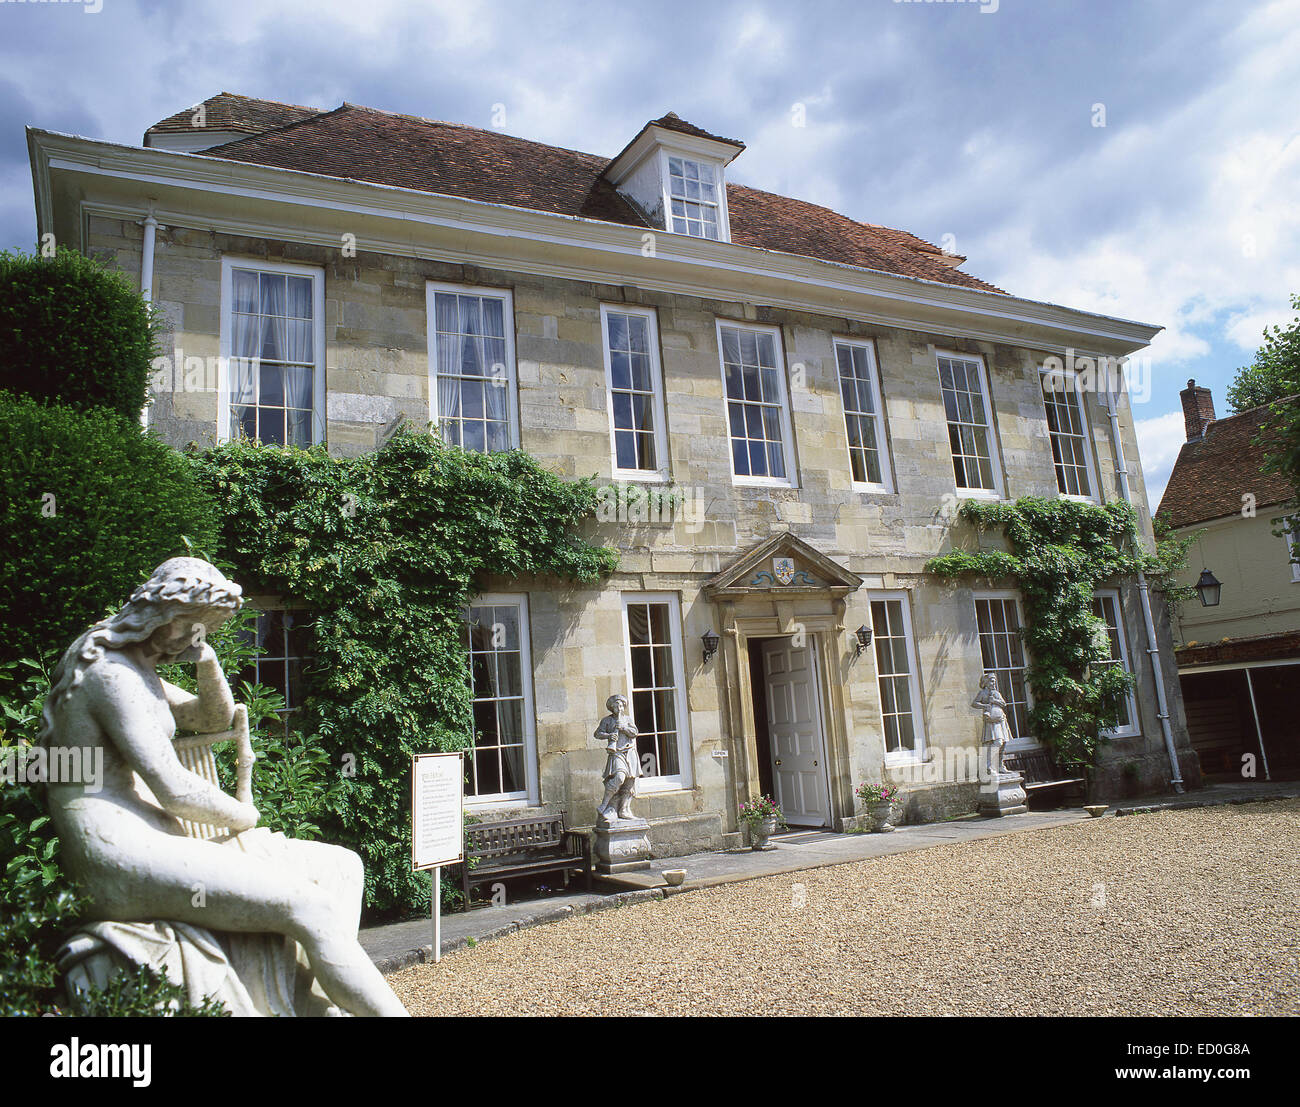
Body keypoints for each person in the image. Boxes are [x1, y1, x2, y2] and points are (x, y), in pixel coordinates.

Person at [41, 557, 408, 1017]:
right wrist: (245, 817)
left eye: (204, 629)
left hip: (152, 834)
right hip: (113, 852)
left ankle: (310, 1001)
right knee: (309, 906)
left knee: (343, 866)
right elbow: (174, 788)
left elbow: (209, 719)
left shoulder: (136, 667)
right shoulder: (111, 675)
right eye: (191, 626)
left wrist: (208, 661)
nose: (191, 637)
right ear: (160, 614)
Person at [594, 694, 640, 823]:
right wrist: (609, 736)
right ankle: (607, 805)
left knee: (629, 782)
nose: (619, 708)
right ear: (612, 708)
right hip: (616, 753)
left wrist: (624, 728)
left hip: (629, 752)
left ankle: (624, 809)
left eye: (620, 705)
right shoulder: (607, 721)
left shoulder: (627, 719)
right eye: (616, 706)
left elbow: (635, 732)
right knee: (619, 777)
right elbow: (597, 734)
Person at [971, 671, 1013, 781]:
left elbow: (1004, 704)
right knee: (997, 742)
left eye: (994, 681)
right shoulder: (983, 693)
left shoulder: (996, 693)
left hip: (1001, 721)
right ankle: (990, 766)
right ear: (986, 682)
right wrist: (985, 705)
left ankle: (1000, 765)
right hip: (991, 722)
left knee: (1003, 744)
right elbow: (974, 703)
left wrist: (995, 700)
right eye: (991, 681)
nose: (993, 683)